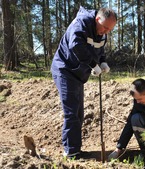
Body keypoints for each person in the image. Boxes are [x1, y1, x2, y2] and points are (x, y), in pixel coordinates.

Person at [51, 6, 117, 159]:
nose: (106, 32)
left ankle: (75, 149)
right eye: (105, 27)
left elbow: (99, 50)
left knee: (79, 113)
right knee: (72, 112)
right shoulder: (80, 23)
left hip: (78, 73)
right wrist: (92, 65)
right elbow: (76, 46)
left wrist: (102, 62)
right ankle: (71, 152)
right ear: (96, 19)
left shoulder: (102, 32)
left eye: (109, 29)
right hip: (65, 69)